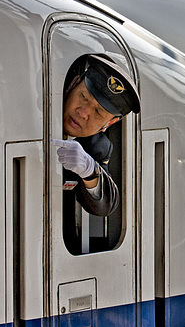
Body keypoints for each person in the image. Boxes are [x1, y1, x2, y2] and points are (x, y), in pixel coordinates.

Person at [51, 53, 140, 218]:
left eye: (98, 113)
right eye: (83, 97)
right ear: (72, 84)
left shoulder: (96, 148)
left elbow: (106, 205)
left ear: (109, 124)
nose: (83, 113)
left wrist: (90, 171)